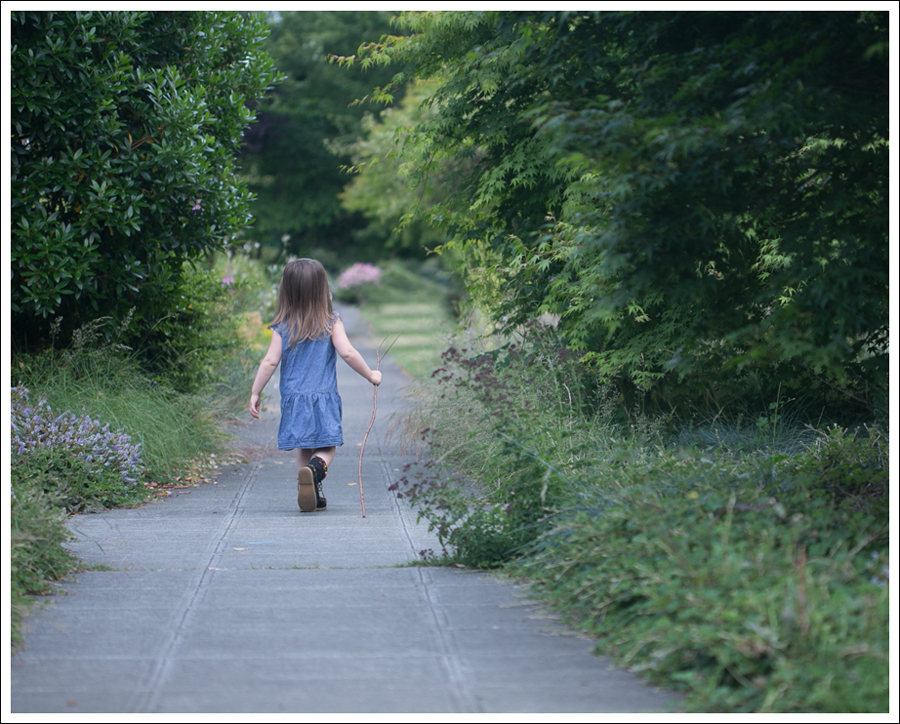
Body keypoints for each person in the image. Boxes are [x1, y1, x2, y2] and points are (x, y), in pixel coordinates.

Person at [249, 259, 382, 512]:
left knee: (304, 445)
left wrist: (256, 392)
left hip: (293, 399)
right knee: (326, 447)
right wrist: (370, 375)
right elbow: (349, 353)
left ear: (287, 290)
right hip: (324, 397)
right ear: (322, 289)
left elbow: (269, 362)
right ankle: (313, 471)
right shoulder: (331, 321)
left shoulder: (282, 326)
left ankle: (310, 489)